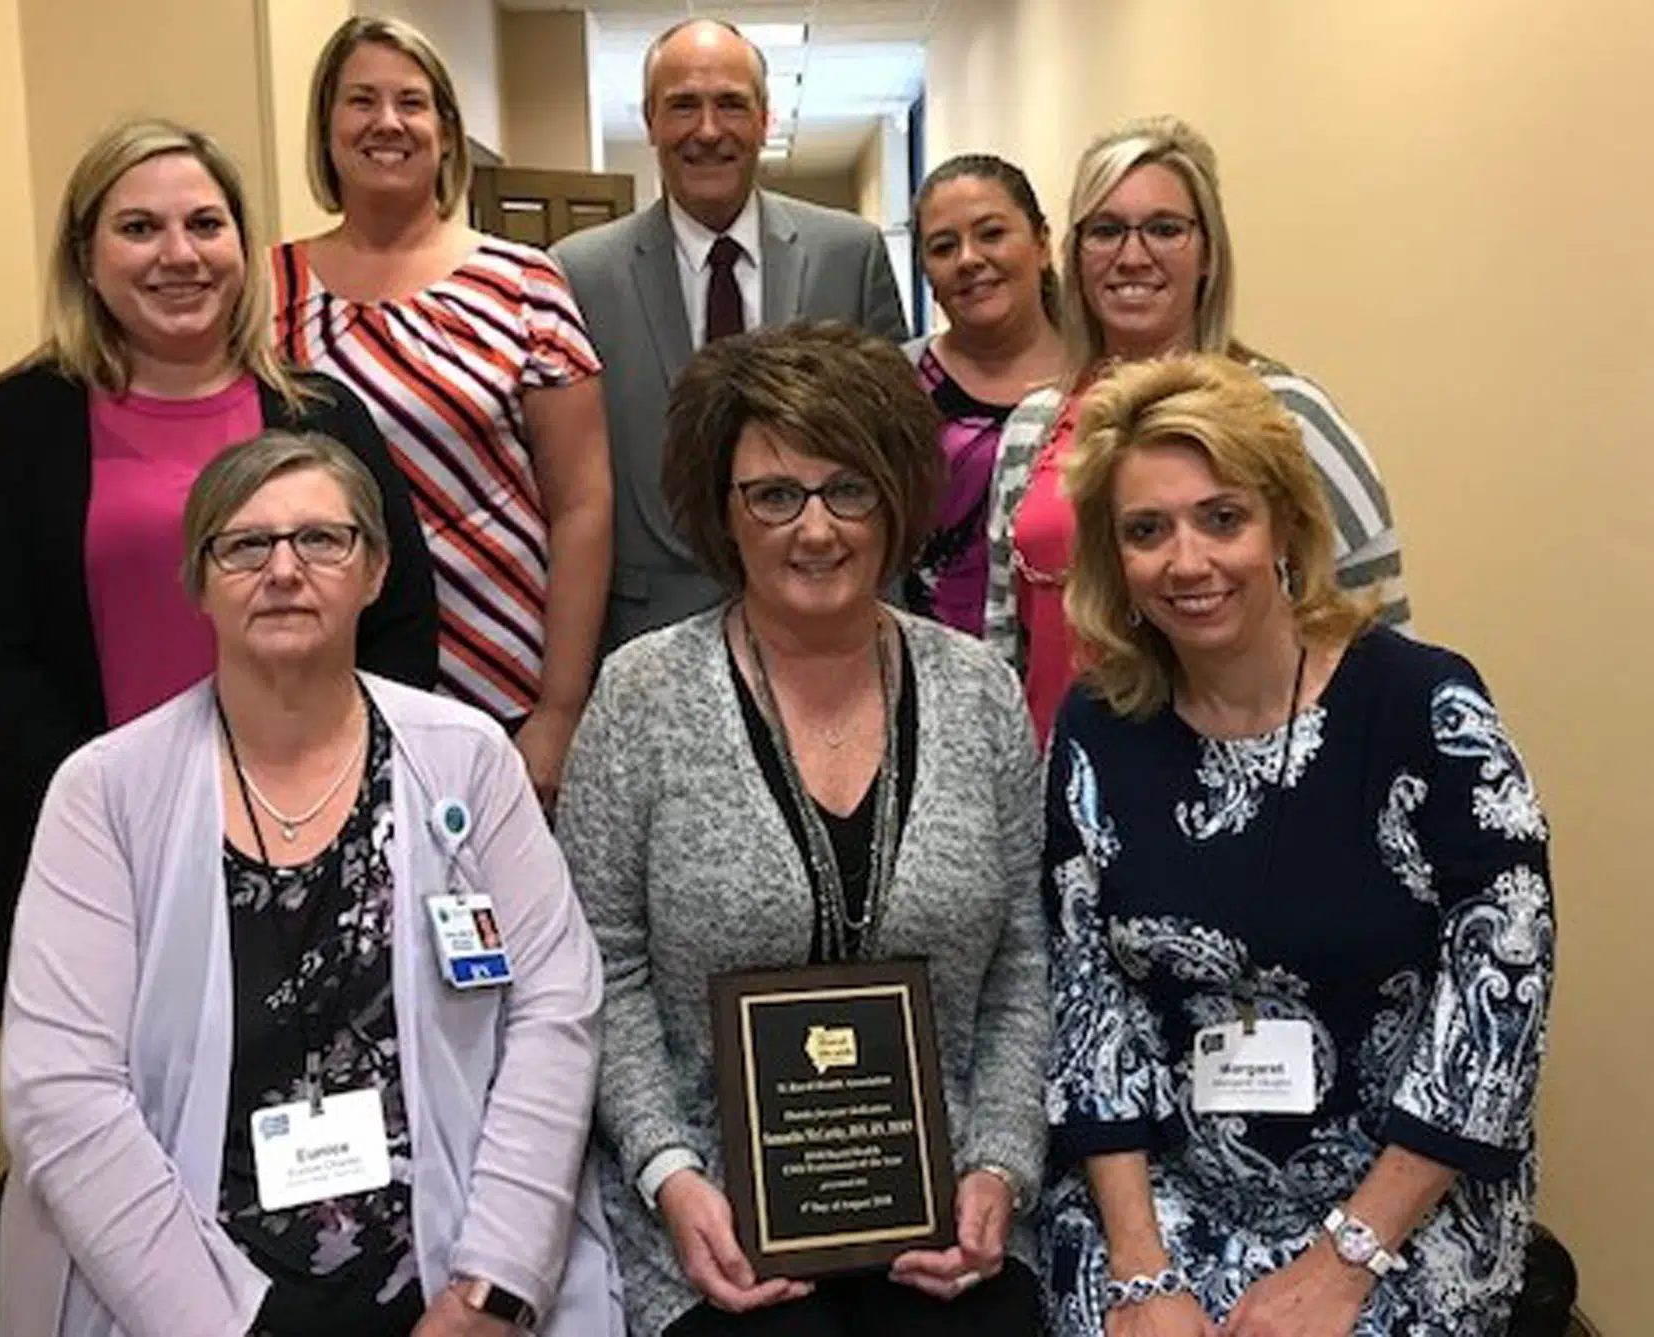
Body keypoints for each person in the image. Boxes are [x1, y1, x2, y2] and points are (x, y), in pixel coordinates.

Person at [0, 430, 620, 1337]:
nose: (285, 570)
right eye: (246, 545)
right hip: (190, 1287)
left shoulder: (466, 759)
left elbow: (556, 1011)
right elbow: (61, 1089)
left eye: (322, 539)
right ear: (198, 580)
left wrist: (495, 1286)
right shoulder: (105, 792)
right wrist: (219, 1325)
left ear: (375, 571)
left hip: (451, 1266)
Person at [1037, 354, 1553, 1336]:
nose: (1188, 561)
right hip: (1165, 1190)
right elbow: (1086, 998)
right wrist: (1140, 1267)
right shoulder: (1097, 728)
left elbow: (1499, 1007)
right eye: (1147, 530)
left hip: (1403, 1196)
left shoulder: (1426, 708)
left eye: (1221, 517)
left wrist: (1346, 1259)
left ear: (1283, 524)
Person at [558, 323, 1047, 1337]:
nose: (815, 529)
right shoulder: (641, 694)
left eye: (848, 489)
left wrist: (1001, 1161)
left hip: (949, 1207)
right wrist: (667, 1171)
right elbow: (602, 962)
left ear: (896, 497)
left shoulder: (979, 692)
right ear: (723, 510)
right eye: (775, 495)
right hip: (715, 1222)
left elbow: (1023, 959)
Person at [0, 118, 435, 1020]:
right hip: (97, 853)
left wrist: (330, 798)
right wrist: (126, 807)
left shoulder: (321, 415)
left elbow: (399, 621)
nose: (179, 255)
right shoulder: (15, 428)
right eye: (139, 228)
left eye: (205, 224)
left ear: (242, 244)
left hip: (311, 850)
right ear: (86, 258)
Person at [274, 15, 611, 805]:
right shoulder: (268, 289)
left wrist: (560, 709)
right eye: (361, 100)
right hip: (328, 680)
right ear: (325, 127)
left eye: (411, 102)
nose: (387, 122)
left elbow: (583, 504)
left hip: (507, 681)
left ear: (448, 131)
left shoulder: (523, 283)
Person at [989, 116, 1409, 744]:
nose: (1133, 256)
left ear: (1208, 252)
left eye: (1165, 228)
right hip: (1062, 777)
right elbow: (1003, 646)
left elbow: (1376, 627)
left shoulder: (1289, 414)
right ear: (1074, 255)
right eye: (1105, 230)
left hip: (1246, 781)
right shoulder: (1031, 428)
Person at [551, 19, 910, 652]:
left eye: (731, 105)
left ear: (765, 119)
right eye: (683, 105)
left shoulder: (849, 254)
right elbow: (563, 482)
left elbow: (896, 456)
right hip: (649, 631)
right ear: (651, 121)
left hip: (830, 623)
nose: (708, 130)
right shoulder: (578, 274)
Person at [901, 154, 1067, 634]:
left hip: (1077, 662)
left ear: (1041, 244)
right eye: (943, 247)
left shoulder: (1104, 385)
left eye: (991, 234)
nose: (969, 259)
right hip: (927, 662)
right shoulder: (894, 387)